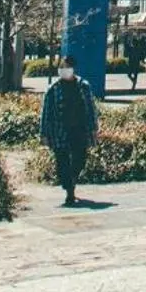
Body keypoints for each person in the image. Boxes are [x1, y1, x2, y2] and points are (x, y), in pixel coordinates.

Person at [39, 53, 99, 207]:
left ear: (73, 68)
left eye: (66, 67)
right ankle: (69, 190)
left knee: (80, 158)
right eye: (61, 67)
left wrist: (93, 129)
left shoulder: (83, 86)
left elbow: (91, 108)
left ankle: (72, 180)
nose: (63, 70)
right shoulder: (53, 89)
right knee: (62, 162)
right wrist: (44, 134)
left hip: (79, 129)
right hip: (59, 130)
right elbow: (46, 112)